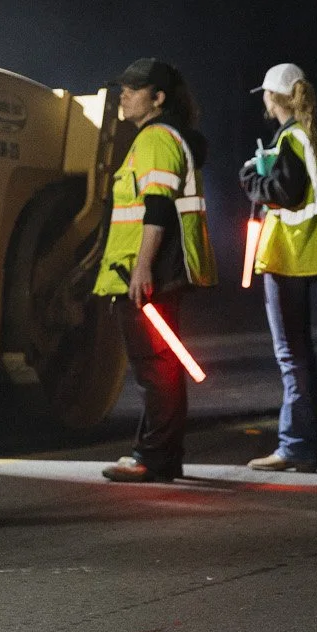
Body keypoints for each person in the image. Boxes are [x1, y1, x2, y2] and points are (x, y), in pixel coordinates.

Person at [94, 57, 216, 483]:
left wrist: (143, 267)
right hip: (158, 271)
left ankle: (155, 457)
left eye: (134, 88)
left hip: (150, 273)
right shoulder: (165, 137)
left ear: (158, 98)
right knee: (160, 367)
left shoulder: (155, 138)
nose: (123, 94)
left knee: (155, 369)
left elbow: (158, 206)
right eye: (122, 87)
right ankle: (158, 453)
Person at [238, 63, 317, 472]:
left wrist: (250, 179)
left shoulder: (290, 138)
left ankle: (296, 445)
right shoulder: (307, 134)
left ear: (271, 98)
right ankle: (305, 445)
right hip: (306, 254)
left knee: (291, 357)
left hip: (288, 256)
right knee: (301, 355)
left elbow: (285, 191)